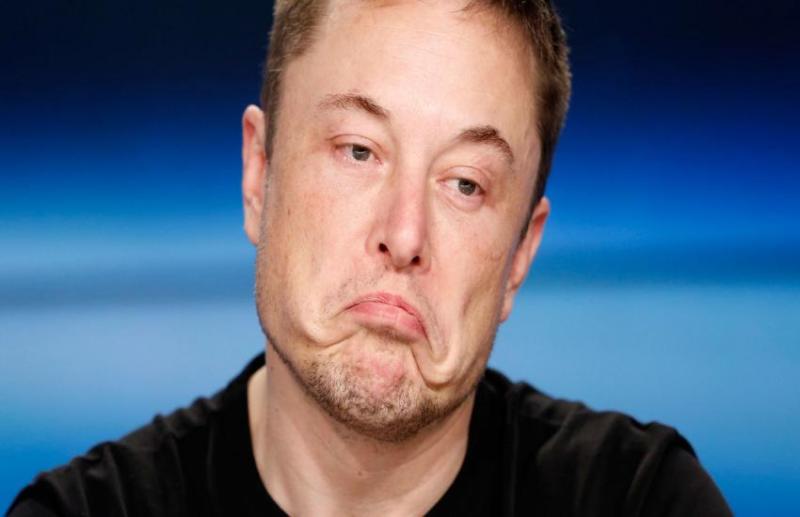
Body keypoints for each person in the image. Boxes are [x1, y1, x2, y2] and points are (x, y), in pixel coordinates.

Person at [8, 0, 732, 515]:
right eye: (358, 150)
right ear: (259, 175)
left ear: (520, 256)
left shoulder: (641, 498)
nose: (405, 234)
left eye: (465, 184)